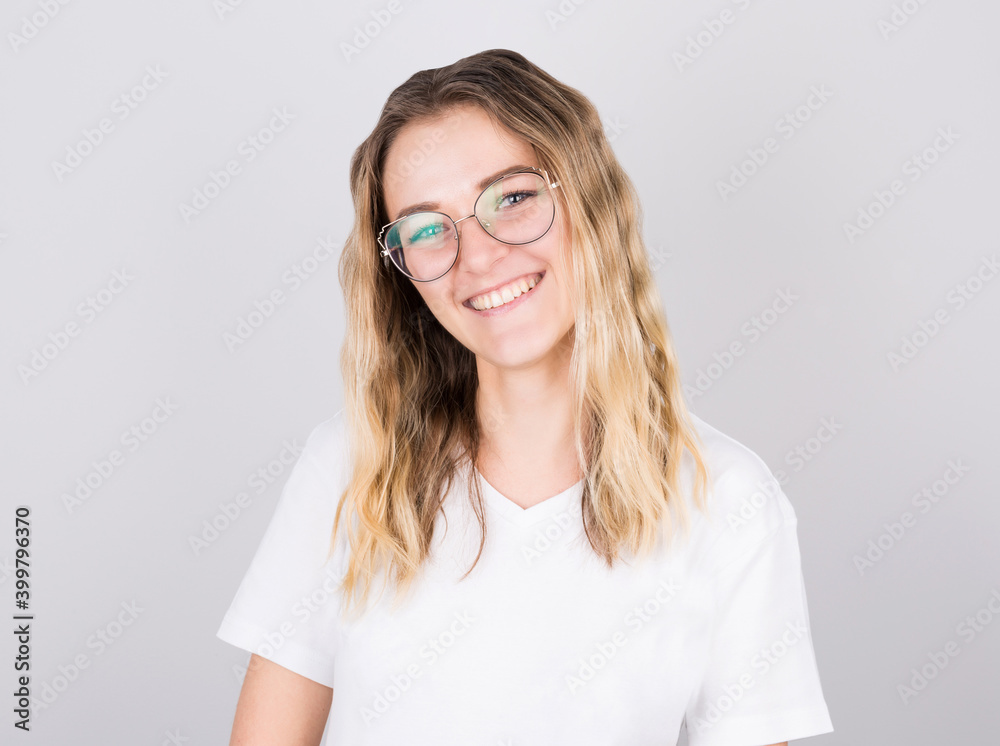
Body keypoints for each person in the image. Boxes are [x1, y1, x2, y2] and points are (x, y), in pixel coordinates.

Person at [216, 49, 834, 746]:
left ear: (587, 199)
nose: (478, 257)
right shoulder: (349, 466)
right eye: (427, 229)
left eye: (511, 198)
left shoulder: (729, 500)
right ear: (401, 273)